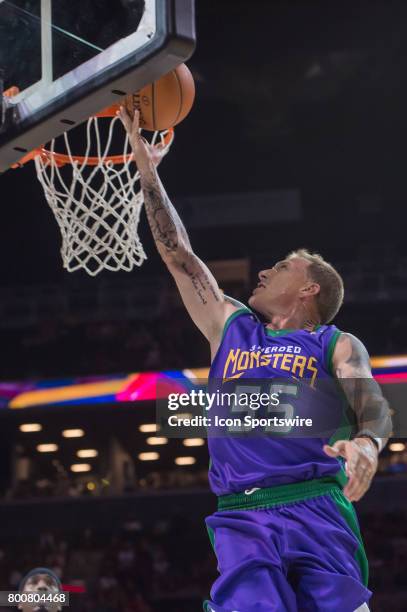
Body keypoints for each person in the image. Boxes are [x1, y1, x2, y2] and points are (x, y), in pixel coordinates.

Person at [118, 108, 392, 612]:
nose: (265, 271)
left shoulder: (336, 343)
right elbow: (179, 255)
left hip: (316, 507)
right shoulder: (231, 326)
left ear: (309, 289)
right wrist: (147, 173)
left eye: (282, 267)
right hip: (242, 516)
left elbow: (368, 397)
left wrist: (369, 444)